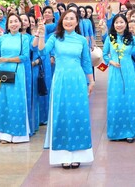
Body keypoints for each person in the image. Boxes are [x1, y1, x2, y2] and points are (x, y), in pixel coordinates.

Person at [37, 10, 94, 169]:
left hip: (77, 80)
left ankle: (78, 154)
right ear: (61, 21)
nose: (68, 21)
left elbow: (86, 62)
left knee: (78, 113)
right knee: (61, 113)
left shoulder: (82, 40)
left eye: (72, 19)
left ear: (77, 22)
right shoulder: (55, 37)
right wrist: (41, 34)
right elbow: (42, 51)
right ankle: (62, 155)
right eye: (66, 19)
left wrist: (91, 81)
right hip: (60, 80)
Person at [0, 13, 36, 143]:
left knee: (16, 101)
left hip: (17, 71)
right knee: (3, 101)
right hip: (2, 71)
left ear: (20, 24)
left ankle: (17, 134)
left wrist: (8, 59)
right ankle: (4, 134)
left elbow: (25, 57)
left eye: (16, 21)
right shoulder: (2, 38)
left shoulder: (24, 38)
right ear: (7, 25)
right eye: (11, 21)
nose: (13, 24)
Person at [103, 14, 135, 142]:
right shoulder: (110, 38)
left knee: (129, 100)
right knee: (115, 99)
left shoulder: (131, 38)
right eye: (116, 22)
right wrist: (111, 62)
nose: (119, 25)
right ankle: (115, 132)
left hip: (128, 71)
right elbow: (104, 55)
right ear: (113, 25)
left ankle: (130, 132)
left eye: (121, 22)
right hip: (115, 72)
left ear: (126, 24)